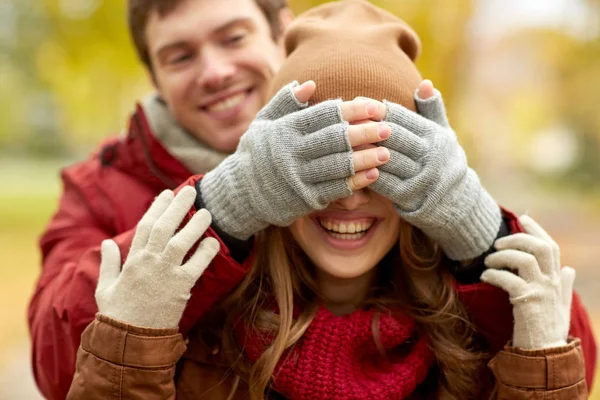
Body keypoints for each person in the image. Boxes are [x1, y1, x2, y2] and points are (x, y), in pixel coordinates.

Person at [65, 1, 593, 399]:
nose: (347, 195)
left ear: (429, 180)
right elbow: (62, 350)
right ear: (277, 169)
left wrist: (480, 233)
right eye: (323, 163)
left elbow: (577, 357)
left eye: (377, 162)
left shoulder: (463, 325)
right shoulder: (208, 318)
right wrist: (224, 207)